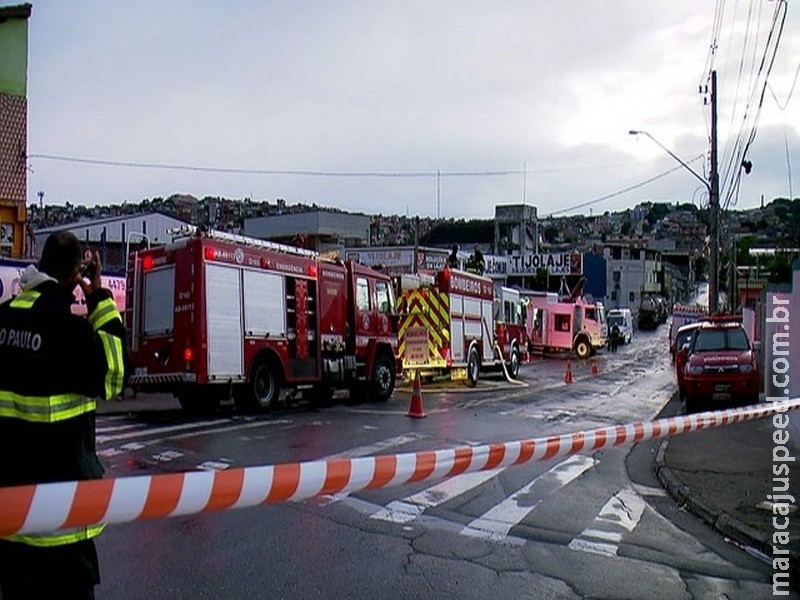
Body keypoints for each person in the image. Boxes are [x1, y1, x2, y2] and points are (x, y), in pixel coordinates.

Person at [0, 231, 130, 599]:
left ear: (39, 265)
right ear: (77, 278)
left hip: (9, 525)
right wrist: (100, 298)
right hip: (63, 531)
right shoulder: (71, 333)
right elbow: (118, 373)